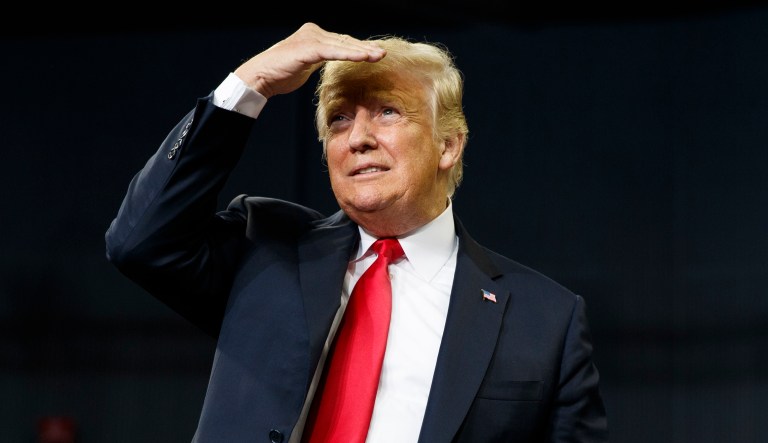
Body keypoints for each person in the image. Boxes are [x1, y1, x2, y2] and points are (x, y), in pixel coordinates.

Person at [105, 22, 609, 443]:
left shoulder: (547, 321)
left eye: (387, 112)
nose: (359, 138)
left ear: (448, 146)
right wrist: (249, 83)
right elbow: (139, 241)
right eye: (339, 120)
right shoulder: (266, 248)